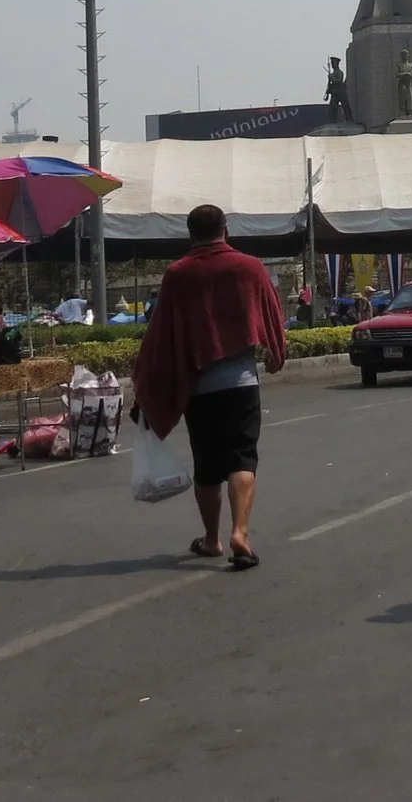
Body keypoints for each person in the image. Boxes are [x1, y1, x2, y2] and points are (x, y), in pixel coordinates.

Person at [134, 205, 289, 572]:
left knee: (206, 465)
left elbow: (160, 337)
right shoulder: (249, 266)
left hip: (198, 388)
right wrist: (276, 351)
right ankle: (240, 533)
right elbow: (272, 313)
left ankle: (212, 539)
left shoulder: (177, 275)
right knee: (242, 457)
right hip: (241, 384)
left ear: (190, 234)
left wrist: (144, 386)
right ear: (226, 229)